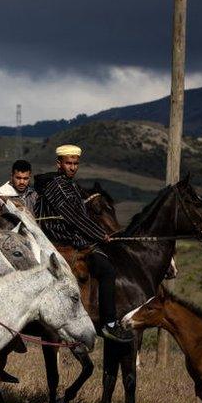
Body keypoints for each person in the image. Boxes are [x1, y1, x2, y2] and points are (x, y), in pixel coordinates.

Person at [36, 145, 131, 342]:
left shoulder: (70, 184)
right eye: (68, 163)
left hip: (78, 241)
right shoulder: (57, 186)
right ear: (59, 164)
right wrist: (101, 234)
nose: (72, 167)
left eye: (75, 164)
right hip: (63, 243)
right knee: (107, 271)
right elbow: (75, 218)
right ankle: (108, 324)